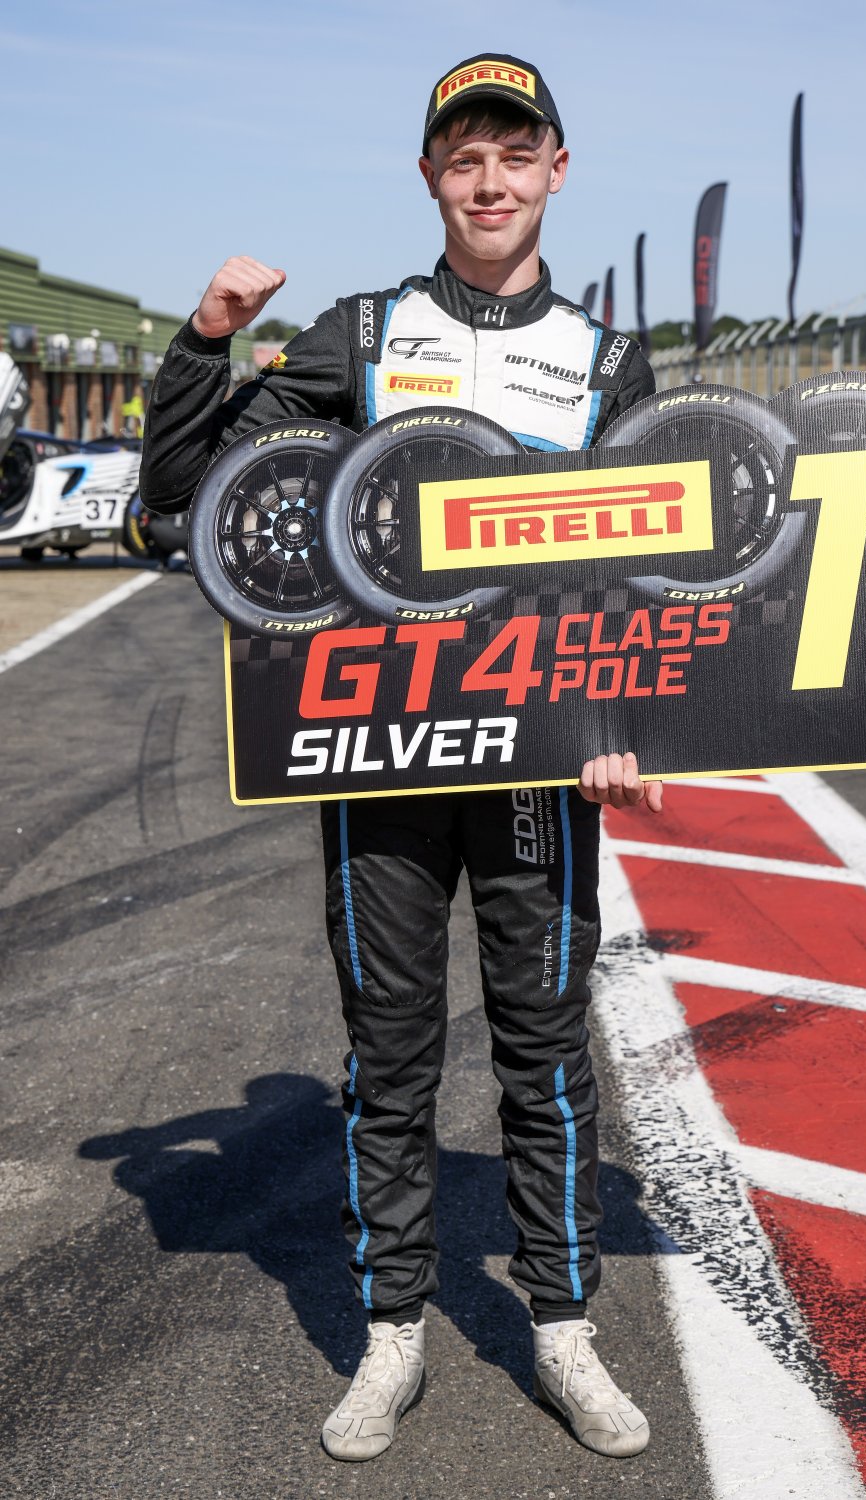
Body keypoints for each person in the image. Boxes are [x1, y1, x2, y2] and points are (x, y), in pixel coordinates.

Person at [139, 52, 662, 1463]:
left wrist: (627, 721)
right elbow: (187, 492)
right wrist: (207, 338)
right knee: (390, 1054)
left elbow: (646, 558)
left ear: (557, 170)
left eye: (515, 155)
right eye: (464, 158)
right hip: (382, 752)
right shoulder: (362, 332)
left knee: (547, 1054)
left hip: (540, 757)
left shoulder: (611, 360)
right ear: (431, 177)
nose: (490, 182)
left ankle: (565, 1329)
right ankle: (392, 1336)